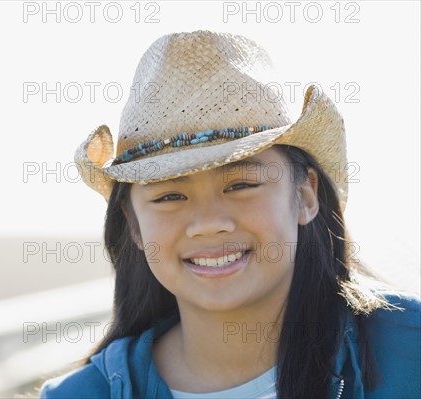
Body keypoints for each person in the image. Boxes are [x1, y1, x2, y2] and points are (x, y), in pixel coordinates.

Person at [39, 31, 421, 399]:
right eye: (170, 195)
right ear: (133, 225)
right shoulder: (82, 394)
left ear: (305, 195)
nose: (208, 222)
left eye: (240, 186)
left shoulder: (409, 351)